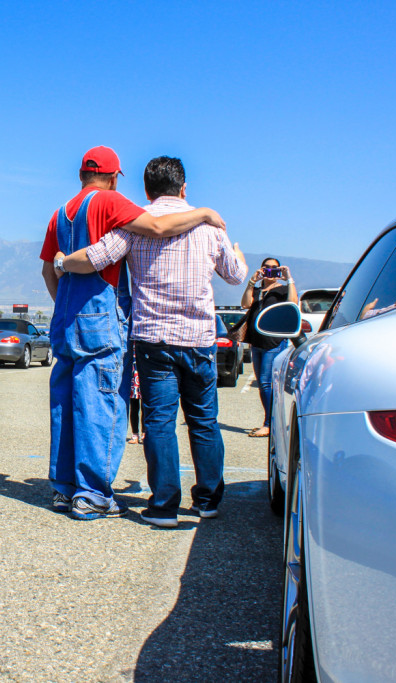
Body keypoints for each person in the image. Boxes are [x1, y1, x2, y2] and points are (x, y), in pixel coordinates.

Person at [57, 156, 246, 527]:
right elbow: (236, 276)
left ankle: (164, 506)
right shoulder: (210, 226)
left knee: (158, 421)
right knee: (204, 421)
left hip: (152, 337)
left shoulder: (135, 224)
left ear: (146, 189)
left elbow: (97, 258)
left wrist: (63, 263)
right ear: (184, 187)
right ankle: (207, 499)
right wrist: (236, 253)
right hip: (199, 338)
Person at [241, 257, 297, 438]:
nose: (270, 271)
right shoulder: (257, 291)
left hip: (274, 342)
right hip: (256, 342)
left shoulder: (282, 290)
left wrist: (289, 278)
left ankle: (269, 424)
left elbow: (293, 302)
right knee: (263, 384)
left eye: (275, 268)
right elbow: (245, 304)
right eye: (267, 267)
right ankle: (271, 422)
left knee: (266, 383)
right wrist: (251, 282)